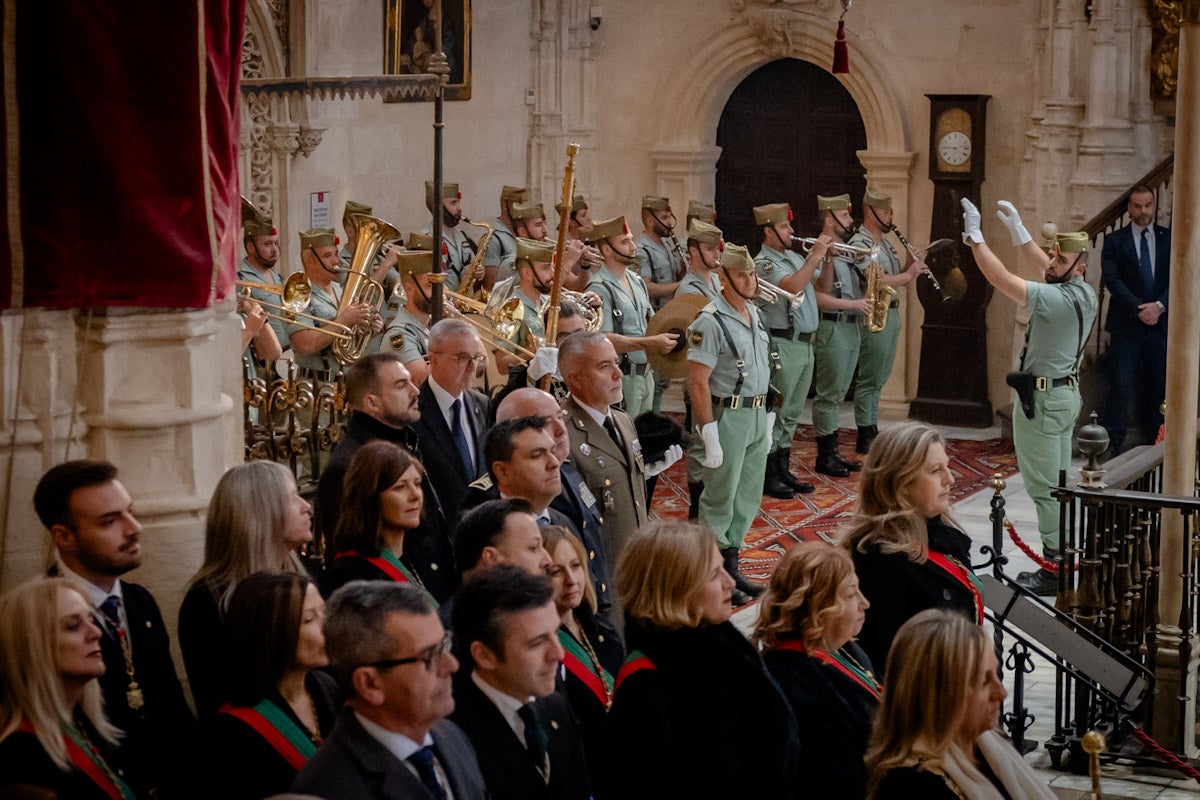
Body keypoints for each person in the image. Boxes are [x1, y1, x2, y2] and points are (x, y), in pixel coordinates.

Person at [34, 460, 195, 798]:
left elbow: (173, 715)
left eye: (130, 512)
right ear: (64, 537)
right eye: (110, 521)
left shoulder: (139, 602)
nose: (133, 528)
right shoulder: (41, 618)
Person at [607, 519, 800, 799]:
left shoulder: (721, 642)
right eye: (713, 574)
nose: (730, 583)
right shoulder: (647, 684)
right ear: (675, 587)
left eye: (724, 567)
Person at [962, 199, 1098, 595]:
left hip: (1042, 404)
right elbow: (1049, 267)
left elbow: (1001, 278)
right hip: (1062, 397)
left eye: (1061, 257)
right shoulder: (1082, 292)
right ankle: (1065, 556)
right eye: (1053, 253)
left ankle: (1054, 566)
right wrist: (1021, 233)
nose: (1052, 260)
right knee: (1059, 482)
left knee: (1044, 488)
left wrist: (976, 240)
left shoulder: (1055, 301)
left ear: (1081, 266)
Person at [291, 581, 488, 799]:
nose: (451, 665)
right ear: (370, 684)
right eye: (429, 656)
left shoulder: (451, 737)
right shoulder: (328, 788)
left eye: (444, 644)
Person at [866, 608, 1055, 800]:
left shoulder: (986, 745)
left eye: (996, 674)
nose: (1001, 693)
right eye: (984, 682)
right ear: (942, 695)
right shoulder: (910, 787)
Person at [840, 422, 982, 672]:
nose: (950, 479)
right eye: (936, 470)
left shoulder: (942, 537)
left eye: (947, 467)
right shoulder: (880, 561)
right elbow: (887, 660)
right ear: (900, 482)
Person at [316, 353, 456, 602]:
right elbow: (353, 558)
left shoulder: (404, 441)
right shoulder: (349, 465)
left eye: (412, 383)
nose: (416, 392)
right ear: (372, 402)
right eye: (402, 385)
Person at [179, 460, 314, 717]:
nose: (306, 507)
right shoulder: (207, 602)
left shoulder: (305, 574)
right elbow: (221, 698)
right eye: (292, 498)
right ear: (260, 514)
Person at [450, 565, 593, 800]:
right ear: (485, 655)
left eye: (556, 634)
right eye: (537, 643)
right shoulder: (456, 737)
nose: (558, 653)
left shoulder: (556, 708)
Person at [754, 541, 879, 800]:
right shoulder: (791, 683)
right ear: (818, 606)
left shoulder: (846, 650)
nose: (864, 603)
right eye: (851, 594)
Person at [686, 243, 774, 605]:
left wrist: (769, 417)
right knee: (719, 498)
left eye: (752, 274)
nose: (750, 281)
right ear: (724, 279)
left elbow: (768, 368)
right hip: (727, 416)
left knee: (747, 496)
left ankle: (732, 567)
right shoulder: (710, 320)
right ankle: (710, 573)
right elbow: (696, 381)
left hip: (754, 415)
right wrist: (709, 434)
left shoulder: (756, 314)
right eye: (741, 274)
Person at [205, 573, 342, 800]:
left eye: (325, 612)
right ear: (272, 632)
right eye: (309, 619)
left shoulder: (327, 687)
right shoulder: (233, 731)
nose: (328, 626)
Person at [0, 578, 133, 800]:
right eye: (73, 625)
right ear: (33, 647)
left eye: (91, 620)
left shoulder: (83, 722)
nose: (96, 633)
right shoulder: (20, 757)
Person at [753, 201, 829, 498]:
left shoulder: (796, 257)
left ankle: (783, 469)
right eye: (784, 226)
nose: (792, 230)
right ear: (768, 231)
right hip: (783, 343)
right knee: (778, 411)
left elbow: (822, 285)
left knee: (793, 413)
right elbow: (793, 286)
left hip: (804, 344)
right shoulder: (764, 263)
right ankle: (769, 474)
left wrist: (829, 260)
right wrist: (815, 255)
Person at [559, 331, 648, 573]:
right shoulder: (562, 436)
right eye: (604, 366)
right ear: (575, 379)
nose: (618, 374)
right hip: (604, 572)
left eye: (616, 363)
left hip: (638, 564)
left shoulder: (623, 421)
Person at [848, 188, 928, 455]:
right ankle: (865, 431)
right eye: (885, 211)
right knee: (870, 377)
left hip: (891, 311)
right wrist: (910, 276)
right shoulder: (861, 243)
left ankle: (871, 426)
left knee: (880, 375)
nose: (890, 216)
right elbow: (875, 280)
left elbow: (894, 276)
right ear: (870, 212)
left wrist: (908, 265)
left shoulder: (885, 243)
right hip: (874, 312)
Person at [542, 525, 622, 794]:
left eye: (575, 565)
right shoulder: (542, 649)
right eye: (555, 571)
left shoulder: (603, 632)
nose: (571, 579)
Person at [327, 440, 448, 602]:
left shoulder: (426, 552)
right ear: (370, 497)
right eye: (400, 487)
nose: (416, 495)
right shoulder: (352, 574)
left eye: (417, 484)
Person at [1100, 184, 1170, 453]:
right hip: (1127, 324)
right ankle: (1112, 445)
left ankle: (1158, 443)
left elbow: (1179, 275)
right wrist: (1141, 308)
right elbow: (1112, 279)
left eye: (1148, 205)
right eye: (1138, 206)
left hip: (1160, 325)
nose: (1144, 212)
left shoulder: (1168, 237)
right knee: (1120, 384)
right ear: (1129, 208)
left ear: (1154, 206)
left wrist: (1160, 306)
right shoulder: (1115, 241)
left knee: (1158, 383)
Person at [585, 215, 677, 416]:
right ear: (606, 249)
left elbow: (652, 323)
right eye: (624, 242)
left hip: (646, 374)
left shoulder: (636, 281)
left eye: (631, 240)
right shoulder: (599, 287)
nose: (633, 247)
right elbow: (604, 340)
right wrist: (651, 342)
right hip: (622, 377)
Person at [812, 193, 871, 477]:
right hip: (832, 325)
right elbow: (819, 295)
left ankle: (833, 451)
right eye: (845, 216)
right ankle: (825, 455)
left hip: (850, 326)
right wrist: (853, 304)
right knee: (829, 395)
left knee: (838, 394)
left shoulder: (846, 249)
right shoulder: (817, 249)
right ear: (828, 219)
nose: (850, 221)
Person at [414, 318, 490, 521]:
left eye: (476, 358)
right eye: (463, 358)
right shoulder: (412, 410)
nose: (472, 367)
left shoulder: (482, 405)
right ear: (434, 358)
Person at [288, 227, 380, 380]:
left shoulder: (340, 290)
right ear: (309, 261)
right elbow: (303, 344)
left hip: (346, 380)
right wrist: (345, 320)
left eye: (336, 253)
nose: (337, 261)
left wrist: (367, 329)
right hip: (316, 385)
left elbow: (347, 341)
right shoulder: (298, 294)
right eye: (327, 256)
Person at [375, 237, 437, 386]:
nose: (439, 292)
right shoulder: (399, 335)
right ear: (409, 288)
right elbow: (424, 379)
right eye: (429, 285)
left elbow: (480, 362)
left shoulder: (429, 327)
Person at [238, 197, 287, 352]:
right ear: (250, 248)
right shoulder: (241, 279)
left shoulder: (278, 277)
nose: (274, 250)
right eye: (267, 244)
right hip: (264, 360)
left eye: (276, 243)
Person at [425, 181, 480, 293]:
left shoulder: (462, 235)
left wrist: (479, 271)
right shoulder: (427, 238)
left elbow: (471, 263)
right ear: (438, 207)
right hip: (444, 303)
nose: (459, 208)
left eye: (458, 203)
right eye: (453, 203)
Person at [482, 184, 528, 291]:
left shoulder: (521, 233)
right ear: (504, 205)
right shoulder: (494, 238)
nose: (523, 210)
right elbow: (491, 282)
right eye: (518, 205)